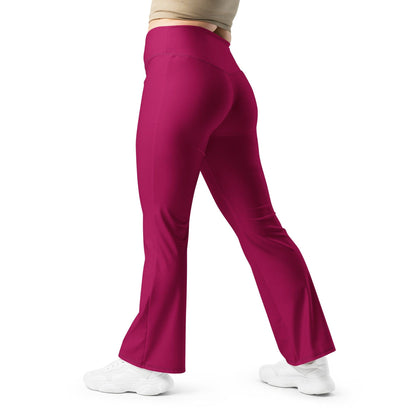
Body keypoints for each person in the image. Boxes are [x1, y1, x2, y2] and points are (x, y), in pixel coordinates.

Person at [83, 0, 336, 396]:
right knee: (261, 226)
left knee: (165, 225)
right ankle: (310, 363)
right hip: (226, 74)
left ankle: (146, 364)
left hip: (179, 67)